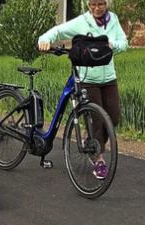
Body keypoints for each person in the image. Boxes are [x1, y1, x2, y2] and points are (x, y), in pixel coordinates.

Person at [38, 0, 128, 179]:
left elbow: (124, 43)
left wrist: (111, 45)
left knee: (114, 117)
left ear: (107, 4)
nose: (96, 8)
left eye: (100, 4)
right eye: (92, 4)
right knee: (96, 120)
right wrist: (44, 40)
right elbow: (59, 30)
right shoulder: (82, 21)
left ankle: (91, 141)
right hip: (88, 79)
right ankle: (98, 158)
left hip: (109, 78)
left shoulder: (114, 20)